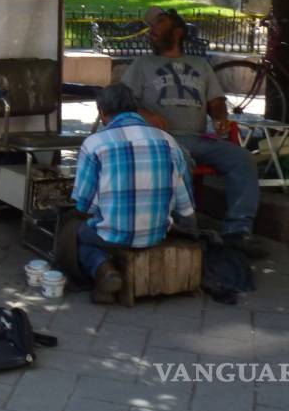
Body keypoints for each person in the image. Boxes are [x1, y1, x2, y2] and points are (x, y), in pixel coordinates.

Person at [121, 6, 265, 257]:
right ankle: (183, 228)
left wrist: (220, 118)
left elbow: (217, 101)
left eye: (159, 23)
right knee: (180, 159)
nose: (151, 29)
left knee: (242, 158)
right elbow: (122, 102)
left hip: (199, 139)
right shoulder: (142, 64)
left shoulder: (200, 64)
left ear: (177, 32)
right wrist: (147, 114)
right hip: (161, 141)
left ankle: (238, 232)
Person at [72, 84, 196, 304]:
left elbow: (84, 206)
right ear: (135, 109)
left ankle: (102, 269)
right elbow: (185, 206)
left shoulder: (94, 144)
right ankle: (107, 272)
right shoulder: (168, 141)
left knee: (73, 233)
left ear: (101, 112)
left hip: (113, 235)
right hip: (156, 234)